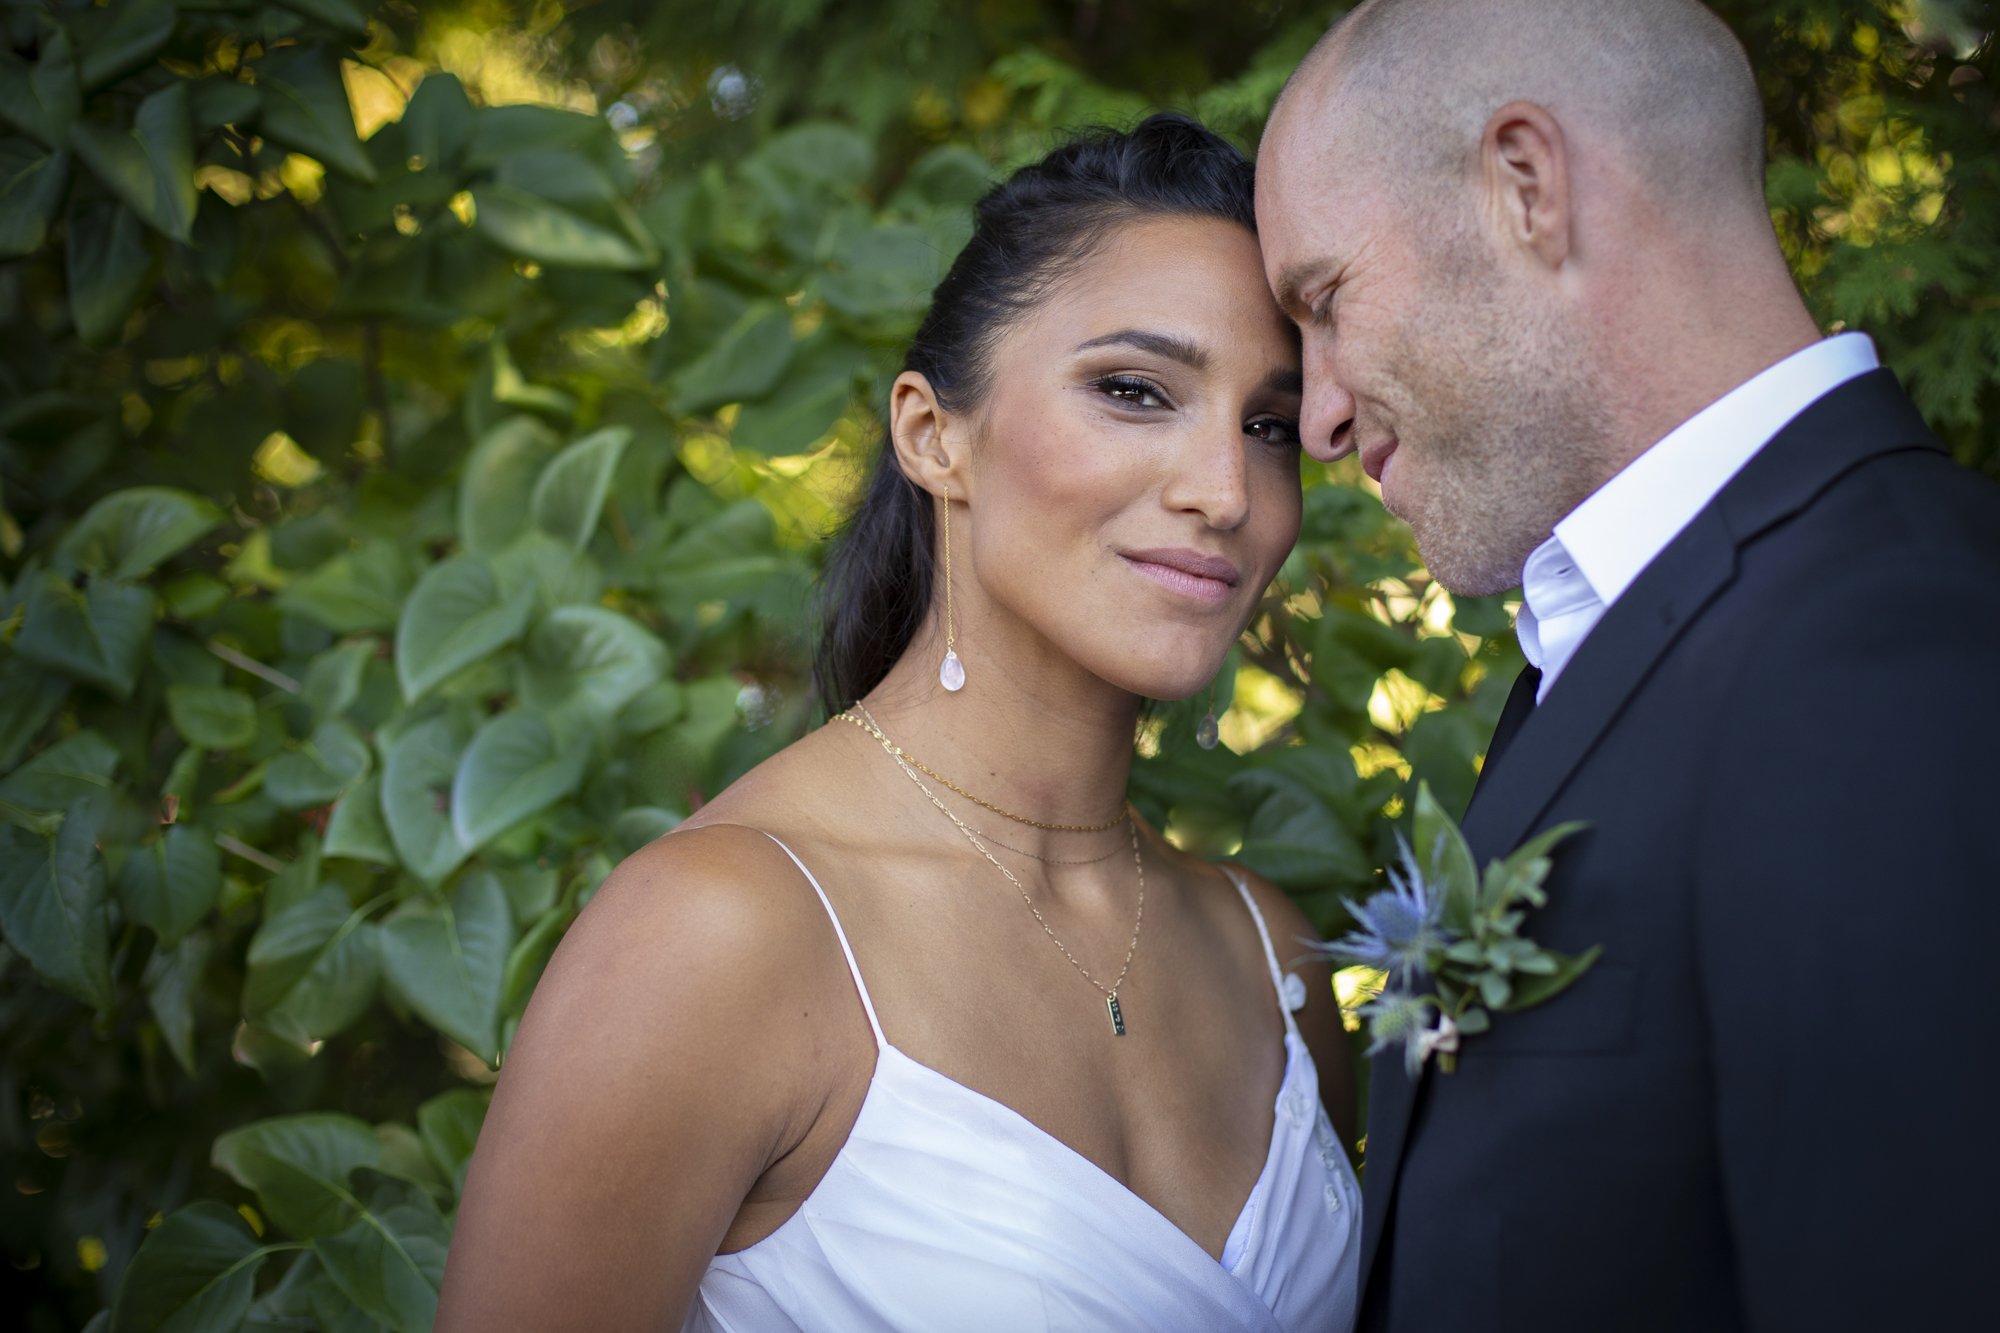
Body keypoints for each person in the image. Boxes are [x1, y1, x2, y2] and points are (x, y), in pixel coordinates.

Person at [438, 113, 1362, 1332]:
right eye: (1134, 391)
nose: (1225, 492)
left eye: (1265, 425)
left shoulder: (1269, 955)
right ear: (934, 435)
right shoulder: (716, 937)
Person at [1255, 1, 2000, 1329]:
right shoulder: (1627, 641)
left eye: (1327, 300)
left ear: (1525, 186)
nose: (1317, 417)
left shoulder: (1895, 654)